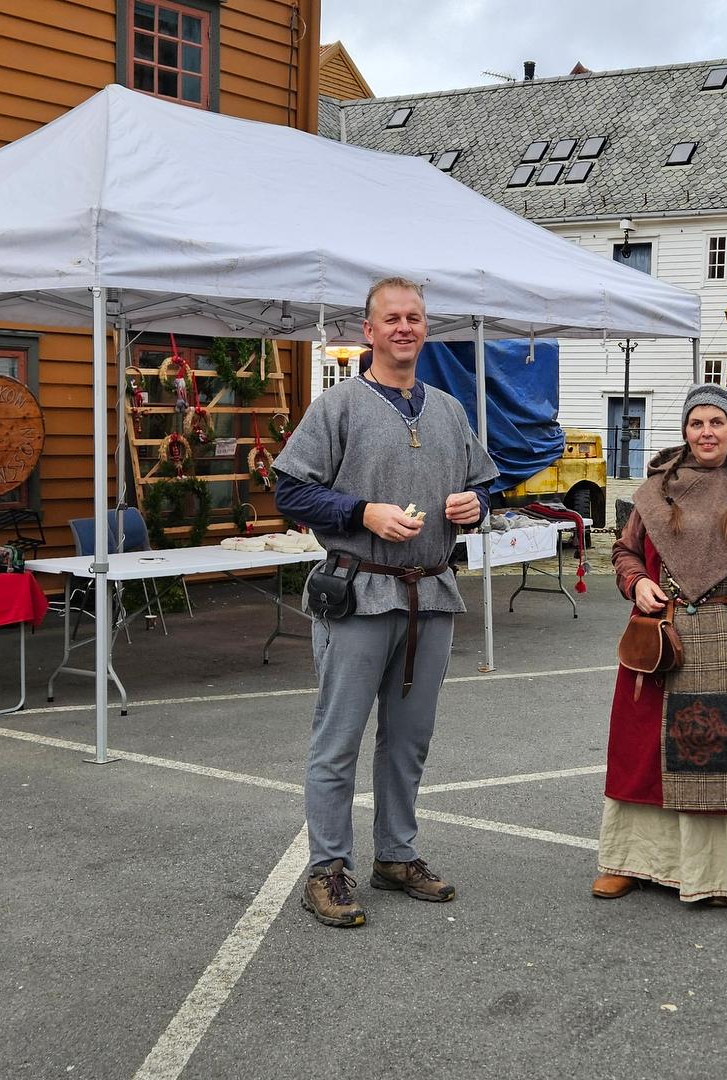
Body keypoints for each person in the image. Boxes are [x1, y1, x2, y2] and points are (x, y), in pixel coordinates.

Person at [271, 276, 501, 928]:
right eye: (392, 318)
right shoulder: (339, 406)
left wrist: (477, 505)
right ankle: (327, 868)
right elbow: (289, 490)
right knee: (338, 741)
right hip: (359, 590)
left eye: (414, 318)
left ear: (425, 328)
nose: (404, 327)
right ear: (368, 331)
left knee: (409, 740)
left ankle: (396, 856)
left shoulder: (449, 411)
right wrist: (361, 511)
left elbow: (487, 486)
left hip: (430, 592)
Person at [593, 385, 727, 910]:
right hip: (662, 635)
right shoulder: (657, 488)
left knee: (726, 754)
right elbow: (625, 552)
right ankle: (631, 861)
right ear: (685, 430)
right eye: (697, 423)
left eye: (717, 422)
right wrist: (635, 582)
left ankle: (719, 872)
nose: (706, 433)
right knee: (644, 751)